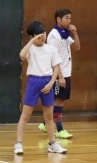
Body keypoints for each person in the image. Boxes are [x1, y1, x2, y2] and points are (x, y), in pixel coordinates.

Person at [14, 21, 67, 155]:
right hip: (33, 81)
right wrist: (31, 42)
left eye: (44, 33)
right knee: (26, 115)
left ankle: (52, 143)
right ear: (32, 36)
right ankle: (18, 144)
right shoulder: (30, 48)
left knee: (49, 116)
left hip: (47, 81)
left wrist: (51, 83)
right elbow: (21, 55)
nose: (42, 36)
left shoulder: (51, 49)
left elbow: (56, 68)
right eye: (38, 34)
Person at [38, 8, 81, 139]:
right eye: (66, 18)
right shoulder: (53, 35)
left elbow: (77, 47)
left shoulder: (66, 34)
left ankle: (45, 124)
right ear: (58, 19)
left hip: (67, 72)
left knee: (61, 100)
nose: (69, 21)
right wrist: (60, 76)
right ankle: (60, 129)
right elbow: (53, 59)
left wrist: (75, 33)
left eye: (70, 18)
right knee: (58, 101)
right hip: (58, 74)